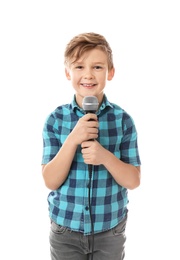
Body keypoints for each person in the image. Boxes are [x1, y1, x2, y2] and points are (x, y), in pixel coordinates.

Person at [41, 32, 141, 260]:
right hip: (65, 229)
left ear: (110, 72)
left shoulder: (122, 120)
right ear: (67, 72)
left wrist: (105, 156)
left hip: (110, 230)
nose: (88, 74)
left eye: (97, 67)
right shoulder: (55, 120)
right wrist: (73, 138)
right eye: (79, 67)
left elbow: (133, 180)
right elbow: (50, 180)